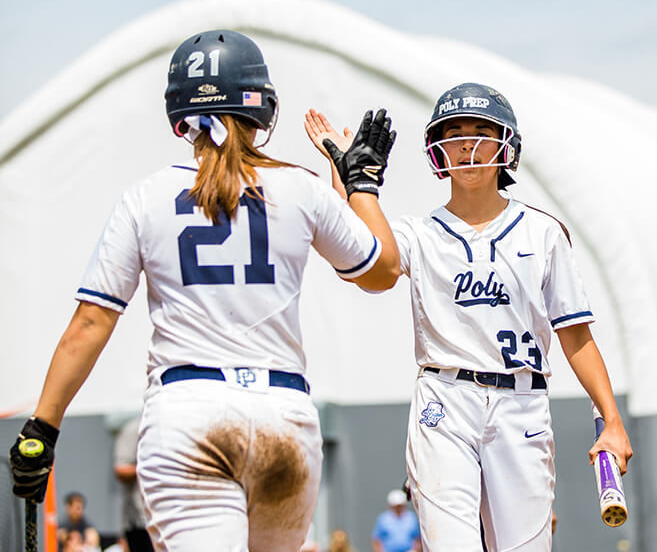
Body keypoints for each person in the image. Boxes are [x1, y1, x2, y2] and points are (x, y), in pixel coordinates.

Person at [8, 29, 400, 552]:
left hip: (188, 416)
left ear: (179, 114)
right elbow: (382, 271)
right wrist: (357, 184)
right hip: (284, 415)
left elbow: (92, 322)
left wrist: (44, 428)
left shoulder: (144, 198)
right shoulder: (301, 186)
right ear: (262, 107)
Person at [305, 82, 633, 551]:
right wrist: (354, 188)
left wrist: (612, 419)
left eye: (482, 131)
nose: (468, 145)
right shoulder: (419, 233)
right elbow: (368, 265)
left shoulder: (543, 233)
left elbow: (576, 336)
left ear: (507, 146)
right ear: (439, 150)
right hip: (444, 401)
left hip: (523, 404)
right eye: (454, 133)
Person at [113, 417, 153, 552]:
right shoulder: (135, 429)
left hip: (170, 515)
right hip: (141, 520)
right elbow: (121, 469)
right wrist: (154, 467)